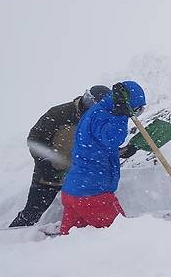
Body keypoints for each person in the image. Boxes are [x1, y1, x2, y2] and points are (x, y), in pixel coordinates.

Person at [9, 85, 132, 227]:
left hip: (79, 177)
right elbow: (35, 139)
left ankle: (76, 238)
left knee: (83, 210)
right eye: (88, 100)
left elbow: (101, 148)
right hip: (49, 176)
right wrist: (47, 163)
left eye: (94, 104)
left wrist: (122, 152)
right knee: (33, 212)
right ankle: (10, 237)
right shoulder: (60, 113)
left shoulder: (98, 120)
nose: (88, 105)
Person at [60, 81, 146, 235]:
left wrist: (123, 151)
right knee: (121, 235)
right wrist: (122, 114)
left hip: (74, 191)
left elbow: (99, 147)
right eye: (136, 110)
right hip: (92, 195)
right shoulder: (103, 115)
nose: (135, 114)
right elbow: (113, 139)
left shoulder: (96, 112)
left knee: (70, 244)